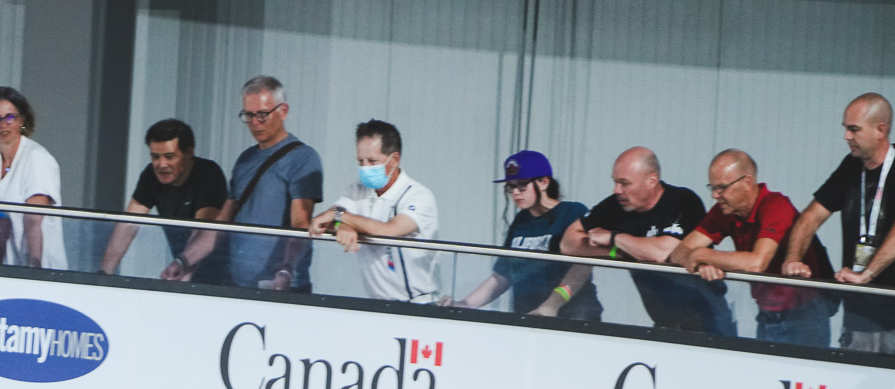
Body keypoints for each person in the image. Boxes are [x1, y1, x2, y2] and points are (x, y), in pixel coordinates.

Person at [781, 94, 895, 358]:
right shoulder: (850, 168)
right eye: (845, 129)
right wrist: (793, 258)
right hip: (859, 318)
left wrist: (868, 274)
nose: (847, 137)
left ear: (880, 130)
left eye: (854, 129)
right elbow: (810, 217)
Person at [167, 76, 321, 291]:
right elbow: (219, 227)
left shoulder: (303, 158)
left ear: (283, 111)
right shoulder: (245, 160)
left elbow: (300, 224)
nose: (255, 123)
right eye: (248, 115)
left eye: (262, 114)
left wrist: (286, 270)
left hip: (281, 287)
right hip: (238, 284)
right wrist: (182, 262)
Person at [562, 147, 733, 336]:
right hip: (663, 321)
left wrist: (614, 237)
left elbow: (662, 253)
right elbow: (568, 243)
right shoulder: (617, 204)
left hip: (707, 317)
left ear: (652, 180)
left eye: (625, 183)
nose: (617, 190)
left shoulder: (683, 201)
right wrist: (619, 251)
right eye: (615, 182)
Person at [675, 150, 834, 348]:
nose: (715, 195)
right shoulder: (724, 212)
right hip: (765, 314)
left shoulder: (776, 206)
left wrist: (702, 255)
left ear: (747, 182)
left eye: (722, 187)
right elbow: (678, 253)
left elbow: (757, 263)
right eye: (712, 188)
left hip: (803, 316)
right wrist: (701, 266)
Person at [448, 150, 598, 318]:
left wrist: (551, 305)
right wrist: (464, 305)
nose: (516, 192)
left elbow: (583, 265)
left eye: (522, 184)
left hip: (572, 316)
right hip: (528, 314)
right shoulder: (521, 221)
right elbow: (502, 275)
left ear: (543, 182)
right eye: (510, 186)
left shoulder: (572, 212)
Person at [308, 119, 440, 303]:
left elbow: (389, 230)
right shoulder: (356, 190)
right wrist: (343, 226)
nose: (365, 168)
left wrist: (342, 217)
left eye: (372, 161)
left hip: (420, 305)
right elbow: (326, 221)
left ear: (394, 159)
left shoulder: (418, 196)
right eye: (360, 161)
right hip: (378, 305)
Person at [98, 118, 226, 278]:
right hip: (180, 267)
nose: (161, 164)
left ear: (189, 153)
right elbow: (128, 224)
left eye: (170, 156)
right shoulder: (151, 174)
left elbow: (202, 233)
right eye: (155, 157)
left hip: (218, 276)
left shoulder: (208, 174)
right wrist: (103, 273)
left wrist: (182, 278)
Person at [0, 86, 64, 270]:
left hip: (31, 267)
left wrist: (34, 269)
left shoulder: (37, 158)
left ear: (22, 120)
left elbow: (34, 222)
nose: (3, 124)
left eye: (10, 117)